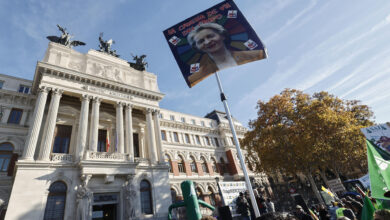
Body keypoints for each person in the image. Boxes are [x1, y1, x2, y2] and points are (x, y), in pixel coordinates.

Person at [186, 22, 266, 87]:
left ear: (222, 35)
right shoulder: (195, 77)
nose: (207, 42)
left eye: (210, 36)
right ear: (197, 47)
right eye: (201, 41)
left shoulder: (256, 54)